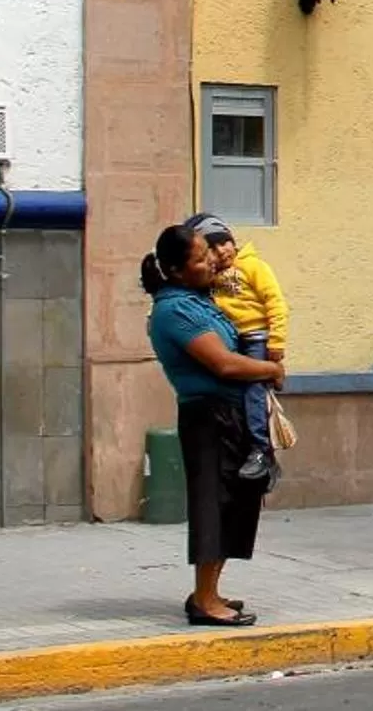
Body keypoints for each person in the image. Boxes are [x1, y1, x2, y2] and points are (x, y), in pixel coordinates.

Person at [142, 222, 284, 627]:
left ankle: (210, 589)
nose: (211, 263)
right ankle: (204, 600)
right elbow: (222, 362)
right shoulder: (175, 311)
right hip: (208, 416)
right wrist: (270, 368)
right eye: (201, 259)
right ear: (175, 270)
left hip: (231, 412)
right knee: (214, 503)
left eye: (209, 254)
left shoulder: (201, 298)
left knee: (237, 500)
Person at [187, 215, 288, 482]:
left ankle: (260, 450)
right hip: (234, 339)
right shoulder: (213, 277)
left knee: (254, 389)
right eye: (214, 248)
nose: (222, 251)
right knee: (239, 392)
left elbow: (275, 302)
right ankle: (257, 453)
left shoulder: (253, 266)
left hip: (256, 338)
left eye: (225, 243)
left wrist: (276, 341)